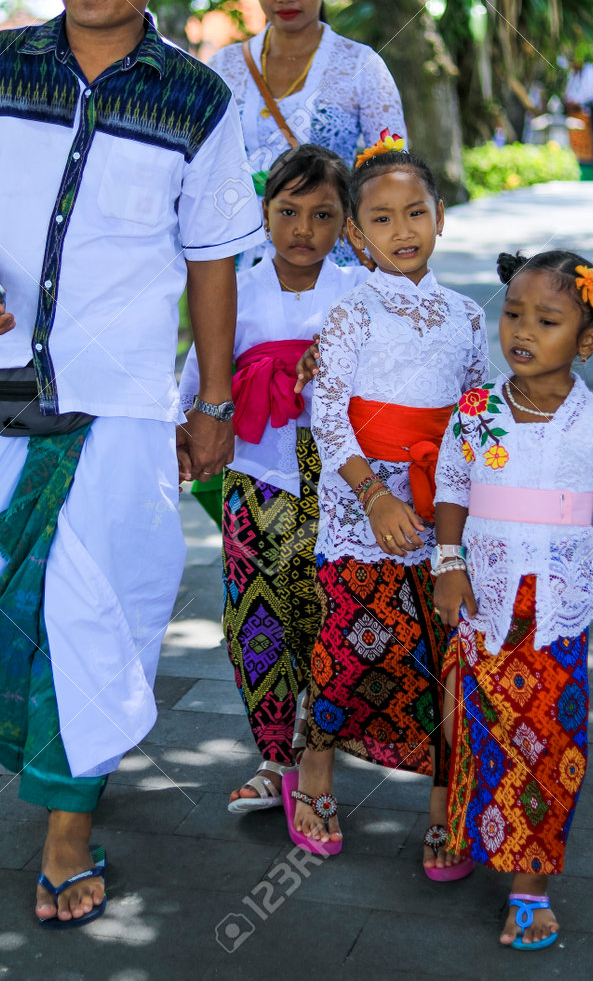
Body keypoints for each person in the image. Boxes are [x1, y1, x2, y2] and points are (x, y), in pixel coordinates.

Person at [0, 0, 264, 928]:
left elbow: (211, 262)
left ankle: (68, 821)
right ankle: (63, 746)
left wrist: (213, 402)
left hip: (118, 406)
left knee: (95, 612)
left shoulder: (199, 97)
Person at [286, 134, 488, 862]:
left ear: (440, 217)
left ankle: (445, 800)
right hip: (360, 505)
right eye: (380, 219)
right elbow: (328, 415)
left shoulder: (467, 315)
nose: (401, 231)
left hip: (442, 507)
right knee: (352, 646)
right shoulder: (352, 313)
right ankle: (314, 773)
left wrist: (463, 509)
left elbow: (474, 415)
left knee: (446, 651)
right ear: (354, 234)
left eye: (415, 213)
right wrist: (372, 497)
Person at [434, 249, 593, 951]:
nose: (521, 331)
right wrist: (446, 562)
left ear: (585, 340)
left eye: (546, 320)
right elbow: (451, 492)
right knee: (475, 732)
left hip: (554, 618)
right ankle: (469, 829)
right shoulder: (474, 413)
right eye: (513, 314)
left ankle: (528, 887)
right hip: (483, 611)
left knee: (548, 748)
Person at [180, 143, 366, 811]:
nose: (302, 230)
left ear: (346, 223)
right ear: (262, 214)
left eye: (322, 215)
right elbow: (202, 378)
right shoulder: (232, 292)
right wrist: (181, 439)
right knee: (254, 620)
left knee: (325, 618)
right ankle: (271, 755)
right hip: (254, 479)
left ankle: (316, 756)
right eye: (287, 211)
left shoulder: (357, 295)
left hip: (339, 488)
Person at [208, 0, 405, 264]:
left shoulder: (362, 65)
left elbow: (393, 176)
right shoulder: (223, 67)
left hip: (337, 268)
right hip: (241, 266)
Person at [564, 50, 593, 180]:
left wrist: (576, 101)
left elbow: (590, 94)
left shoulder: (589, 70)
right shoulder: (573, 75)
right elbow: (568, 93)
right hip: (577, 116)